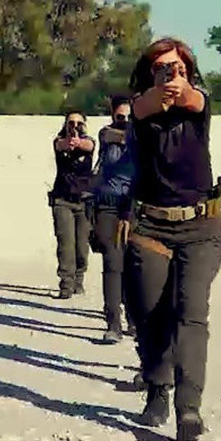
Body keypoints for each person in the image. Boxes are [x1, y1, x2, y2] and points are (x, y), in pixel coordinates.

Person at [121, 38, 221, 441]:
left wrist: (180, 87)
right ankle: (157, 385)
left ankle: (189, 408)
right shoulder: (140, 107)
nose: (172, 75)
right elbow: (144, 106)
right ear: (149, 74)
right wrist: (160, 89)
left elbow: (193, 100)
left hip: (201, 228)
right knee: (149, 315)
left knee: (190, 313)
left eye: (179, 68)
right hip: (151, 227)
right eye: (162, 68)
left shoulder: (199, 102)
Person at [91, 96, 135, 343]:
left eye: (130, 118)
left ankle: (133, 318)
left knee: (134, 266)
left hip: (135, 206)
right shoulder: (106, 133)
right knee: (112, 263)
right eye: (120, 117)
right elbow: (111, 135)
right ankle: (113, 323)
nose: (125, 121)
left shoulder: (143, 137)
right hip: (108, 206)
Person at [49, 111, 96, 299]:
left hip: (84, 200)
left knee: (82, 246)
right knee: (66, 244)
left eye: (79, 123)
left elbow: (89, 145)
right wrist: (69, 141)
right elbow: (60, 144)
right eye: (71, 123)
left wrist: (78, 142)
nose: (75, 126)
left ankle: (79, 279)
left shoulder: (89, 142)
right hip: (62, 200)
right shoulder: (59, 141)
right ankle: (66, 284)